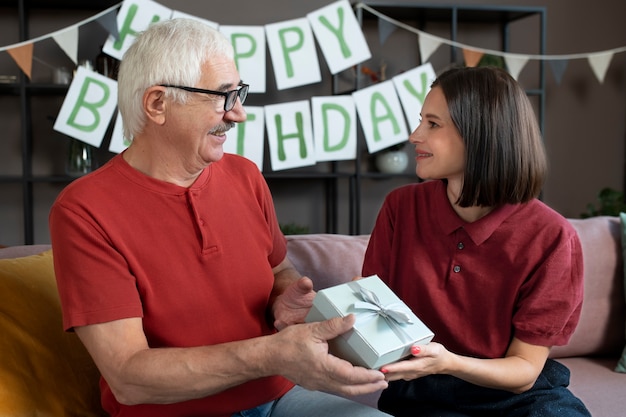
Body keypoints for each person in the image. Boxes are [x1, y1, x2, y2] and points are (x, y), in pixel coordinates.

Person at [49, 18, 390, 417]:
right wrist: (273, 356)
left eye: (238, 94)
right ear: (158, 104)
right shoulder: (84, 210)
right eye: (223, 97)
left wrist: (287, 298)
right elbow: (128, 376)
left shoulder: (245, 176)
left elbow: (279, 269)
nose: (239, 114)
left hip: (278, 399)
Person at [362, 66, 591, 417]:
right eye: (420, 120)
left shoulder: (553, 237)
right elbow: (372, 312)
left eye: (433, 124)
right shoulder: (401, 207)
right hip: (420, 394)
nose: (414, 135)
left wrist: (449, 363)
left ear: (481, 135)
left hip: (519, 398)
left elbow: (524, 371)